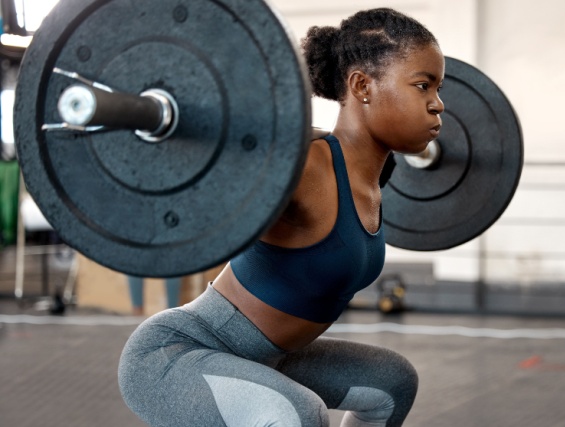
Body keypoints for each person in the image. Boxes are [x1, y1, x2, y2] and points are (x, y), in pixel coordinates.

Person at [118, 8, 444, 426]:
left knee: (392, 383)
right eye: (423, 86)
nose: (438, 105)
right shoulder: (301, 168)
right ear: (362, 86)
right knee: (296, 414)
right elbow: (206, 192)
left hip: (270, 358)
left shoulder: (374, 179)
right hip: (178, 354)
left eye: (438, 88)